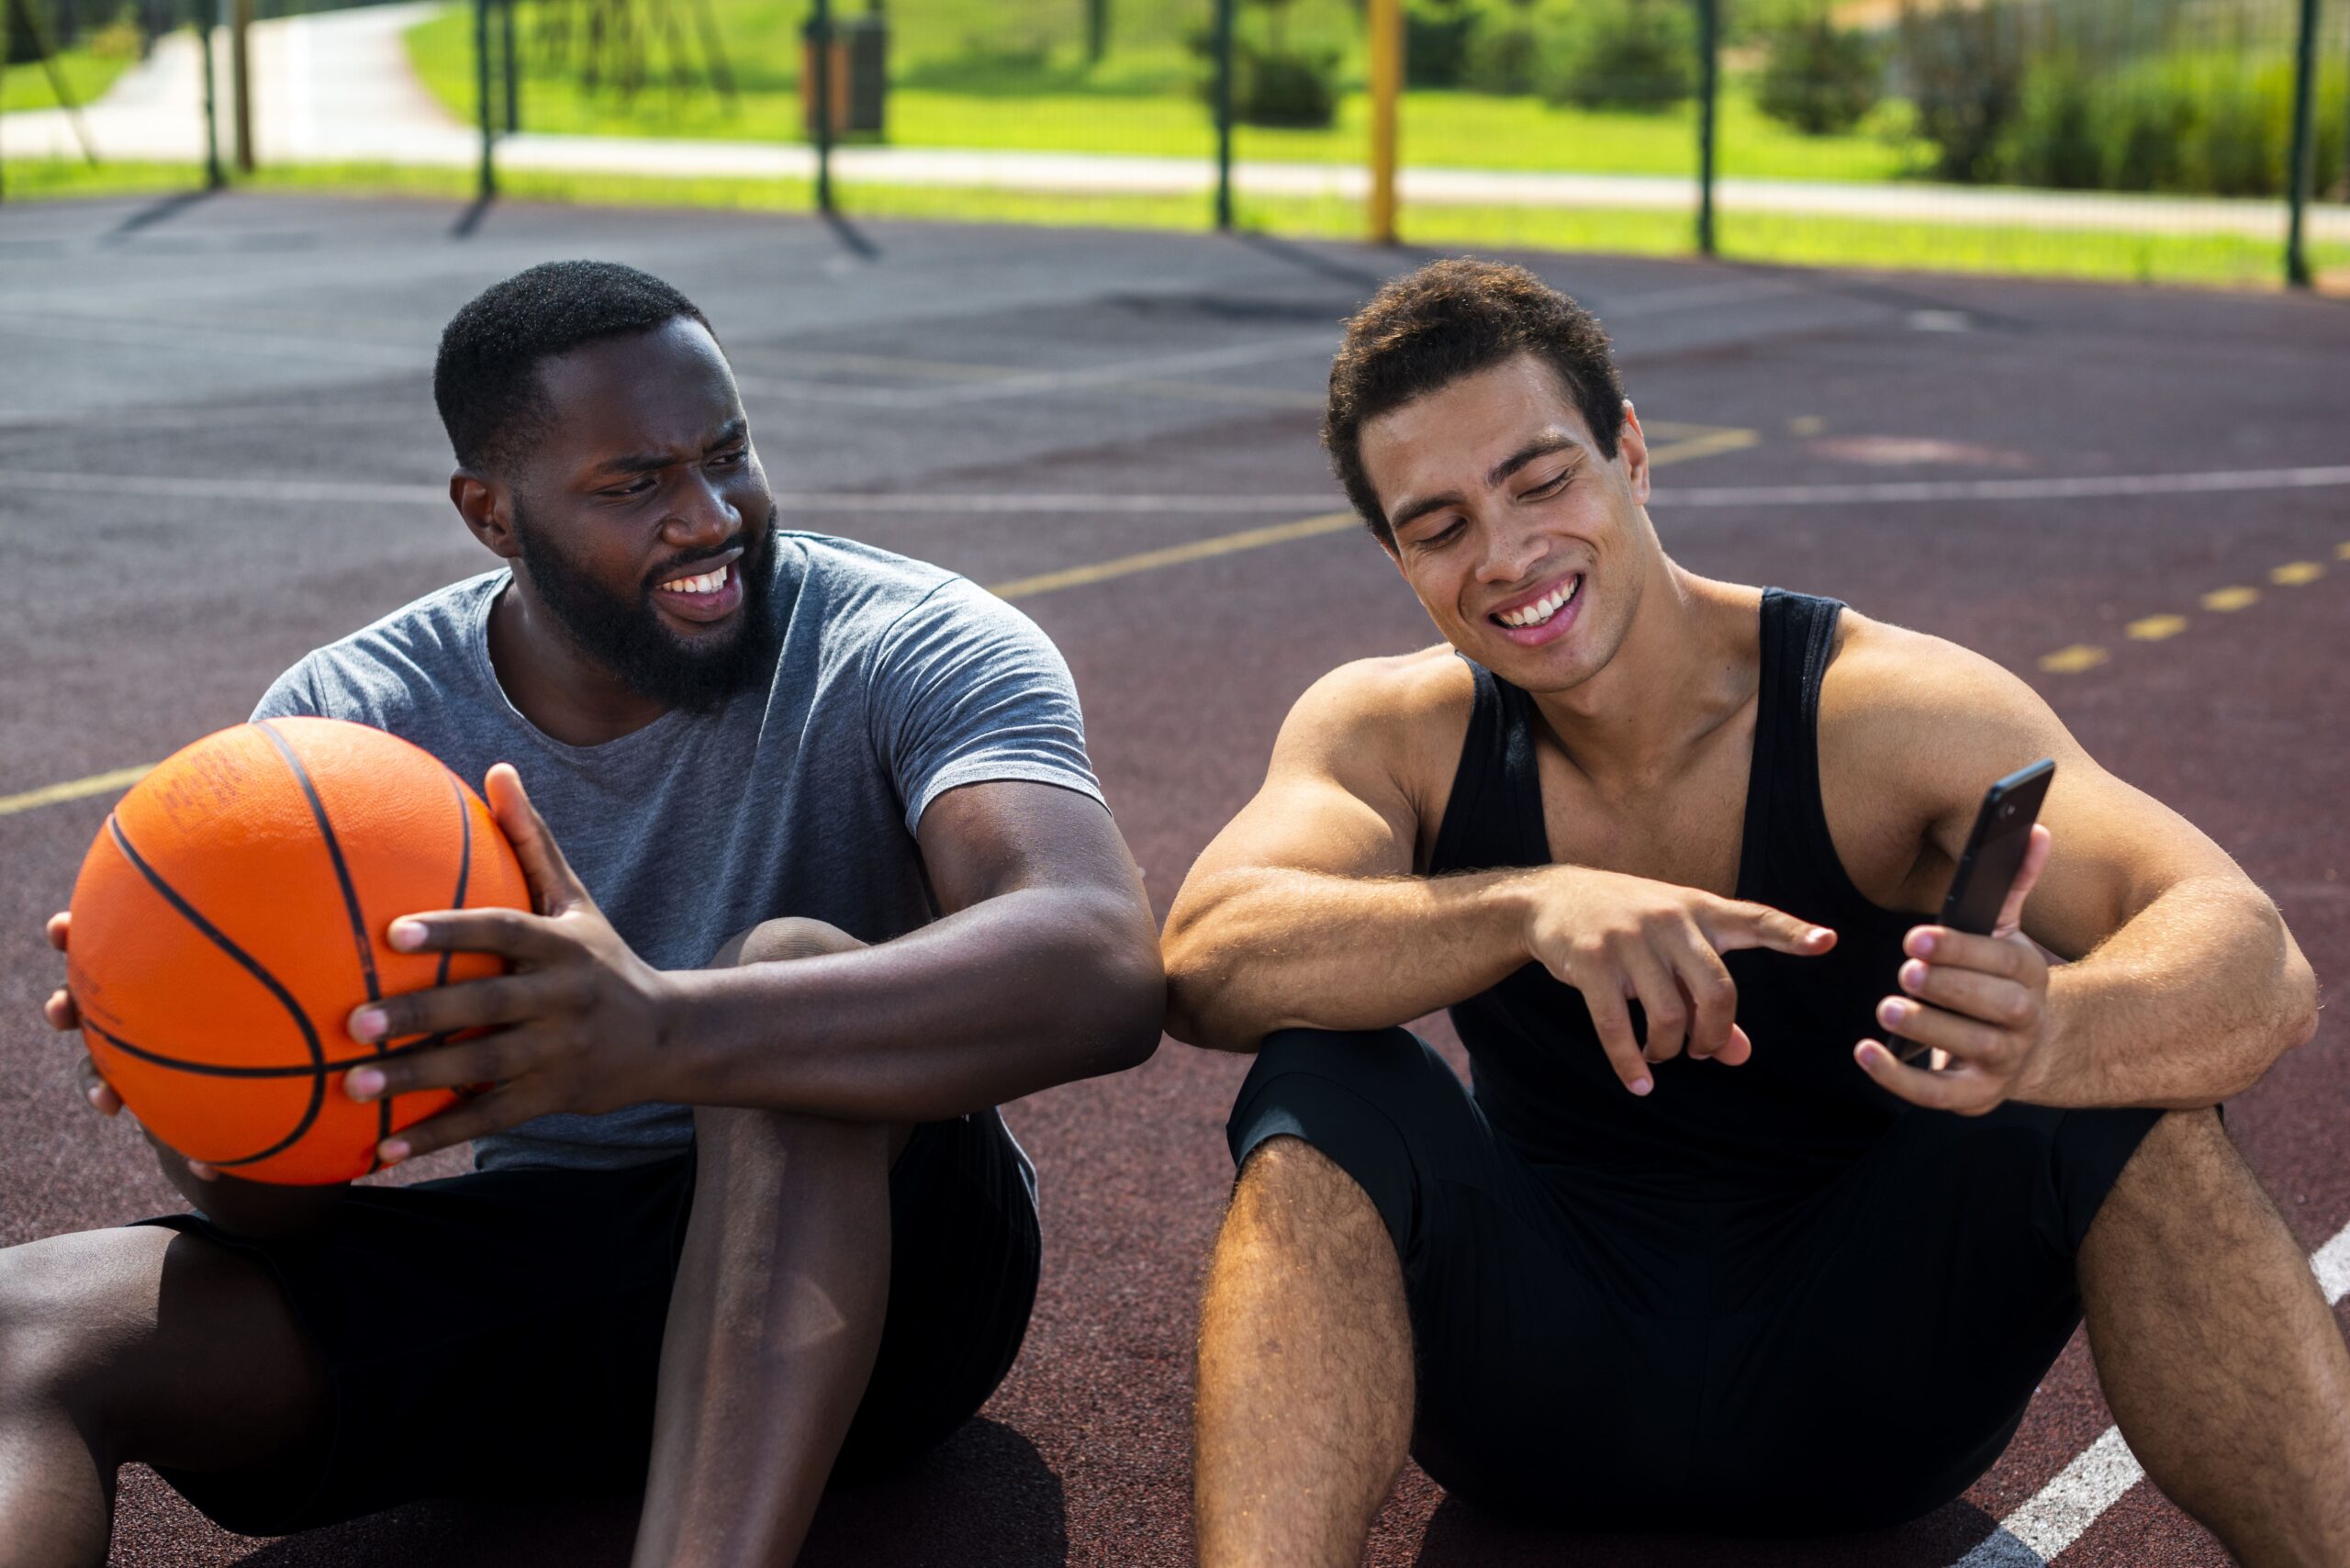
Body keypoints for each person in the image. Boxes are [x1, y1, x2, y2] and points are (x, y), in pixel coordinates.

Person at [1165, 259, 2346, 1565]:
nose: (1506, 556)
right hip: (1534, 1384)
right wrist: (1528, 906)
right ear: (1398, 557)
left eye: (1541, 479)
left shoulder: (1881, 713)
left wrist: (2061, 1028)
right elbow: (1212, 952)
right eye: (1438, 527)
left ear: (1630, 453)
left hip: (1874, 1378)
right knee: (1326, 1072)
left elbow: (2255, 957)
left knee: (2129, 1093)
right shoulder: (1393, 732)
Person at [15, 260, 1164, 1568]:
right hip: (555, 1274)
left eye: (726, 454)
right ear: (491, 515)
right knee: (27, 1328)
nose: (709, 514)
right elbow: (274, 1216)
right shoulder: (345, 734)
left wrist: (662, 1030)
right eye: (634, 485)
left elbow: (1101, 958)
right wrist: (196, 1078)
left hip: (898, 1278)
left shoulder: (911, 642)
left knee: (784, 978)